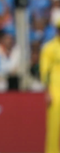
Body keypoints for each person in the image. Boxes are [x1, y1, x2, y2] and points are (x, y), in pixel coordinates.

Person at [40, 20, 60, 153]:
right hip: (56, 90)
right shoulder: (49, 47)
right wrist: (47, 92)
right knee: (54, 126)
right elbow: (45, 71)